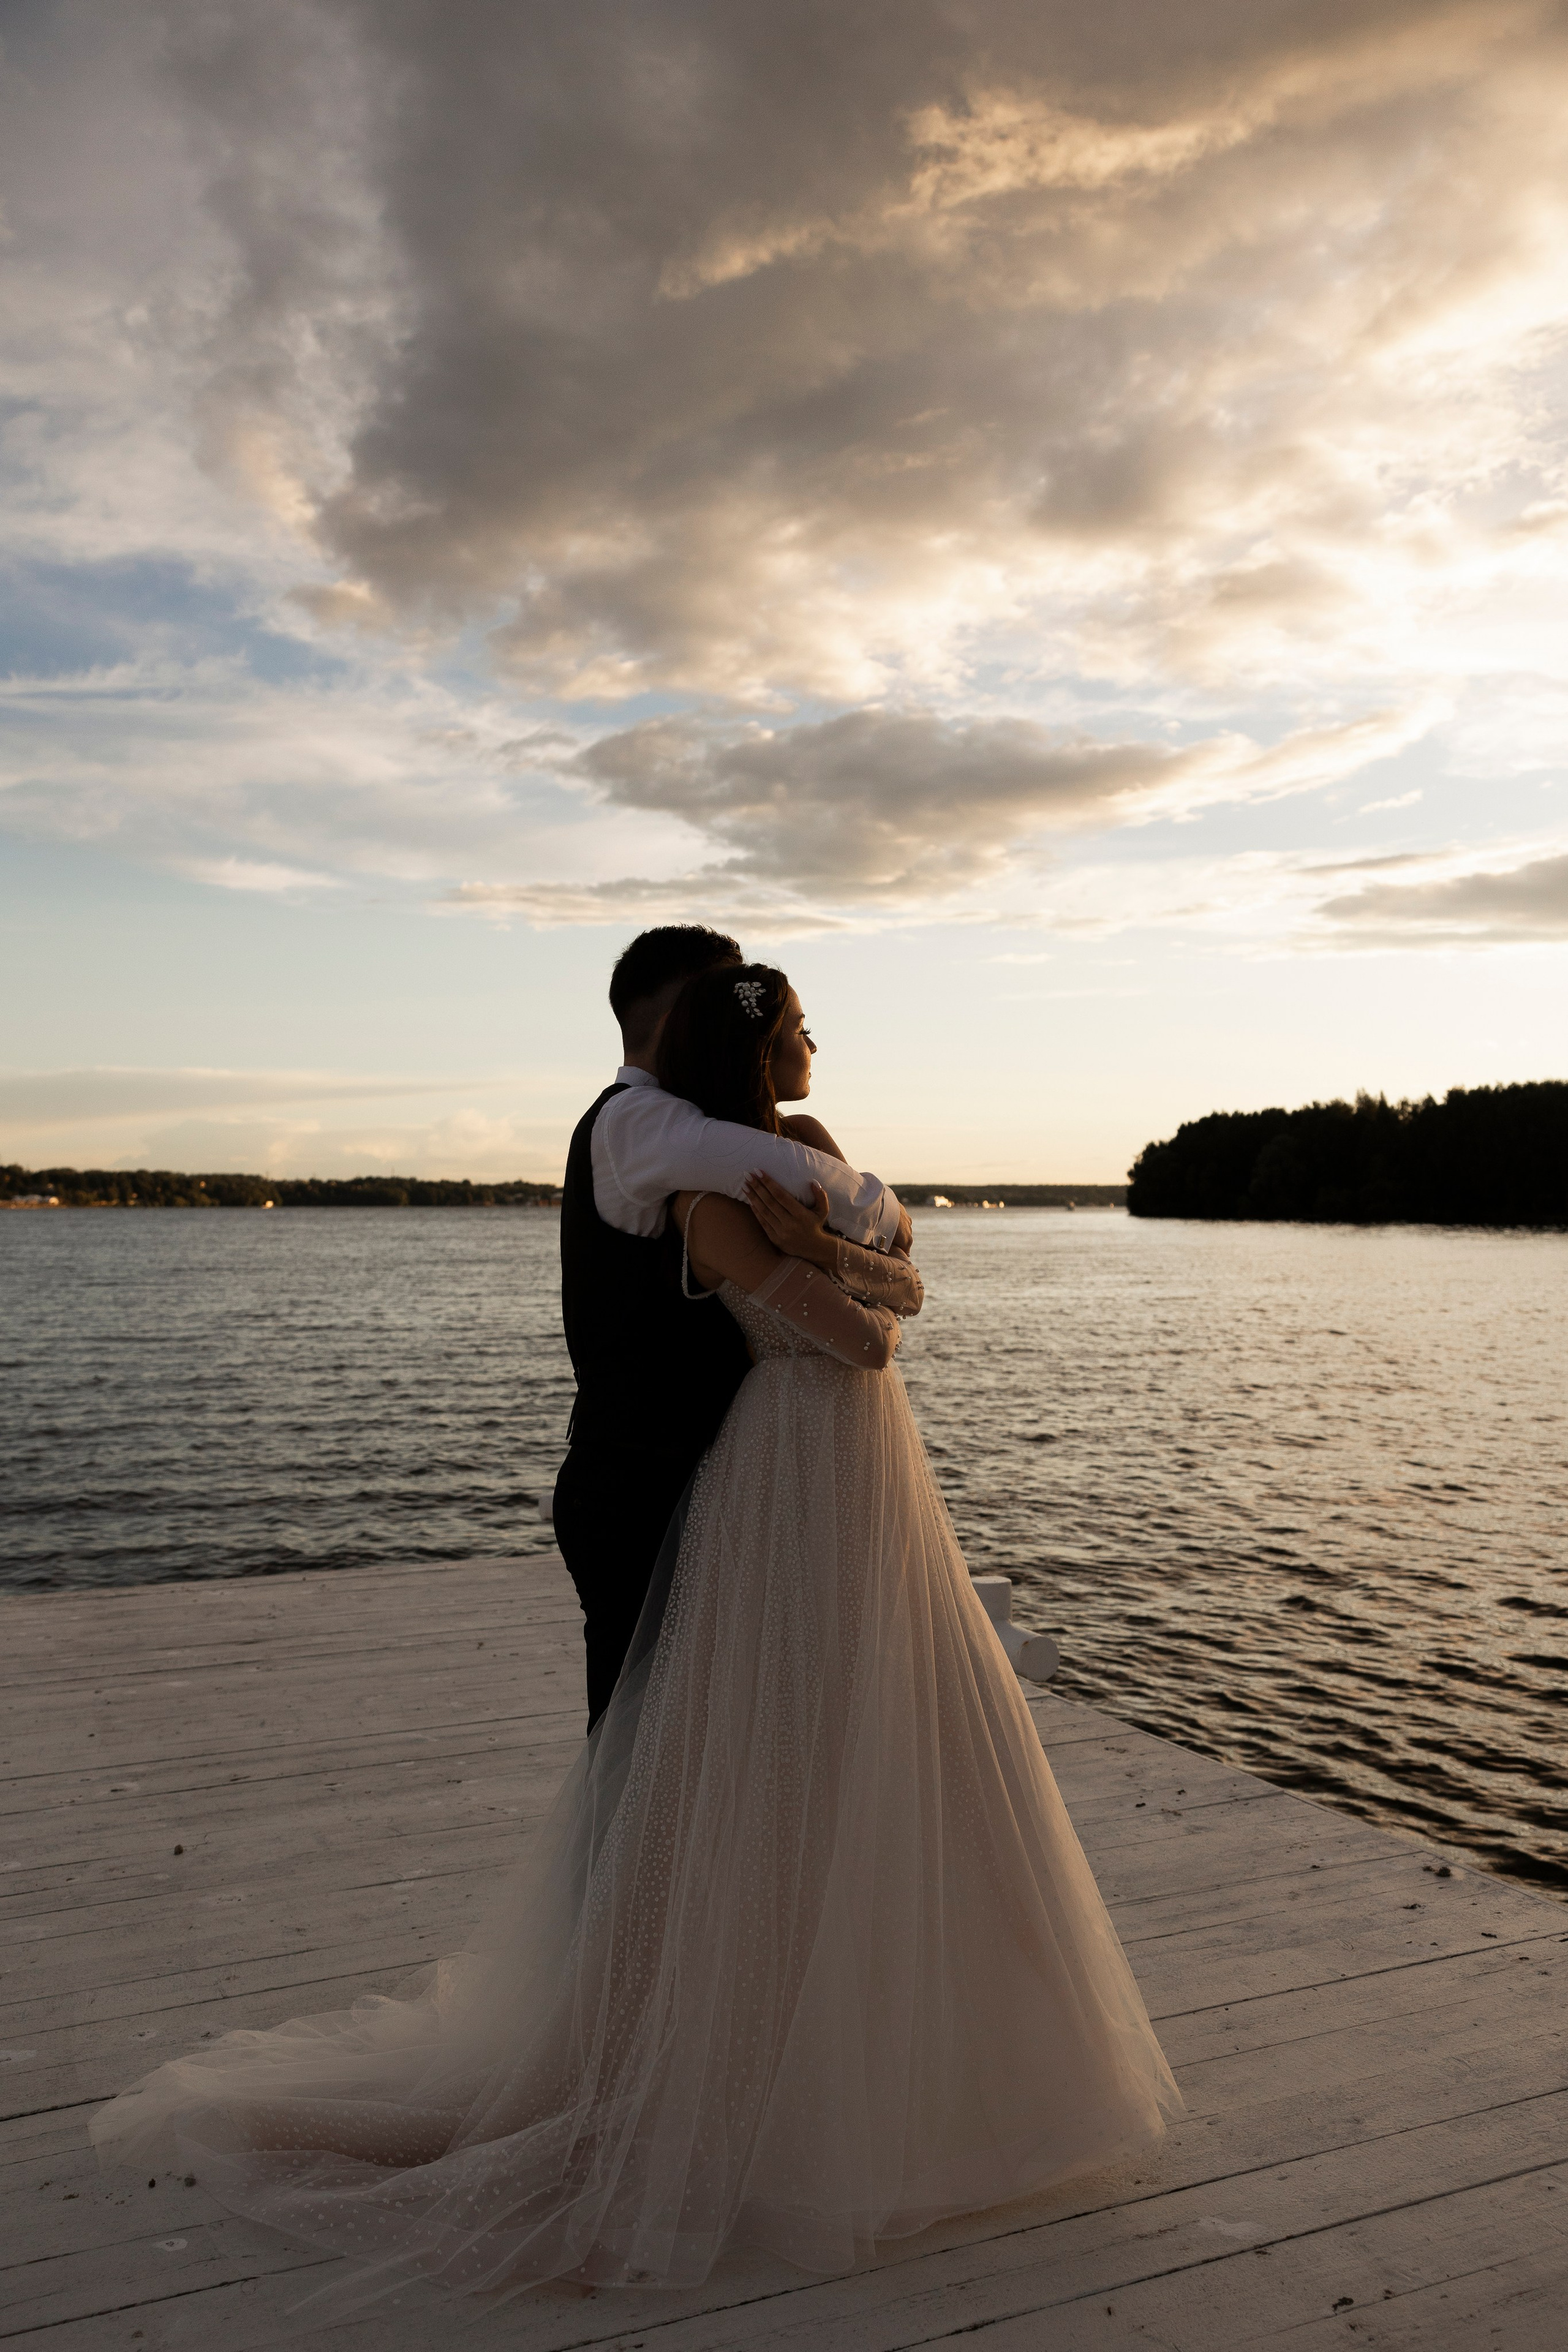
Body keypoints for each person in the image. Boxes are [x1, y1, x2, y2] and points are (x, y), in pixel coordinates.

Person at [90, 956, 1182, 2310]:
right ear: (713, 1037)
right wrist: (833, 1265)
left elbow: (906, 1286)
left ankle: (795, 2046)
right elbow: (867, 1341)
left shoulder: (801, 1154)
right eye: (790, 1029)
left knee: (843, 1750)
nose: (813, 1049)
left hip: (853, 1482)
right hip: (757, 1474)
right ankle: (638, 2053)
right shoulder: (678, 1176)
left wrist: (832, 1248)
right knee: (688, 1774)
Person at [555, 922, 913, 1728]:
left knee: (733, 1729)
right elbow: (816, 1193)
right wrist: (875, 1211)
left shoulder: (696, 1130)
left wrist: (851, 1234)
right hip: (642, 1482)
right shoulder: (639, 1124)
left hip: (734, 1477)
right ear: (690, 1009)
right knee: (641, 1744)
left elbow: (866, 1241)